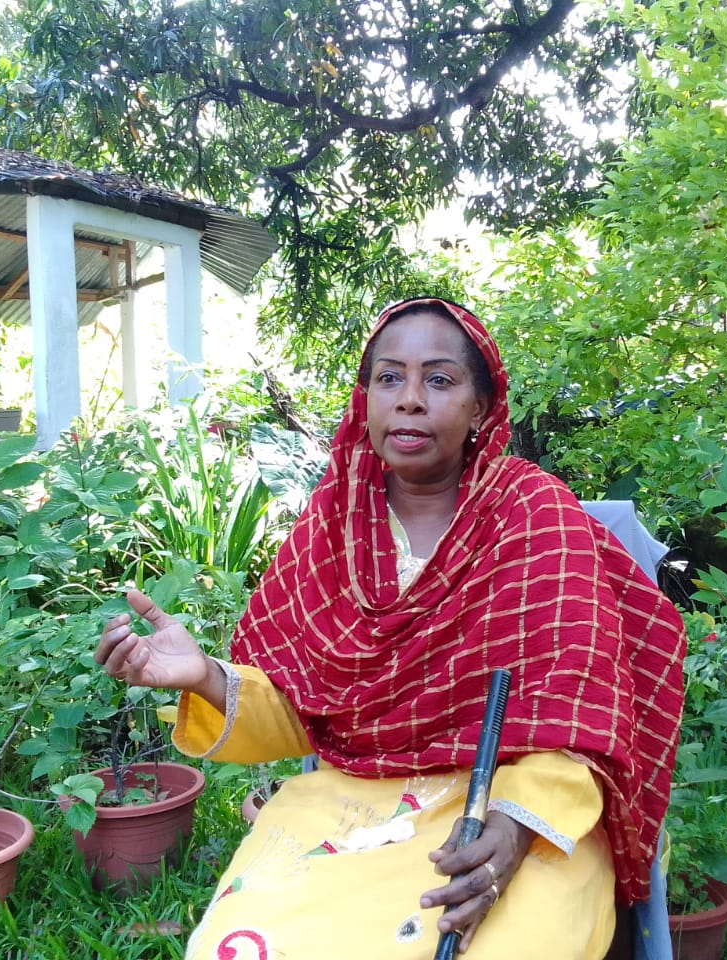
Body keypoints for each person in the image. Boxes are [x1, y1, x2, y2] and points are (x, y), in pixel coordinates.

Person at [96, 297, 686, 960]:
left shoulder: (534, 515)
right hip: (354, 799)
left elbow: (582, 709)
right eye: (389, 378)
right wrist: (202, 675)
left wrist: (515, 831)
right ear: (365, 399)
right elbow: (304, 709)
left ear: (482, 409)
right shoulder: (330, 528)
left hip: (520, 797)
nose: (409, 399)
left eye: (438, 379)